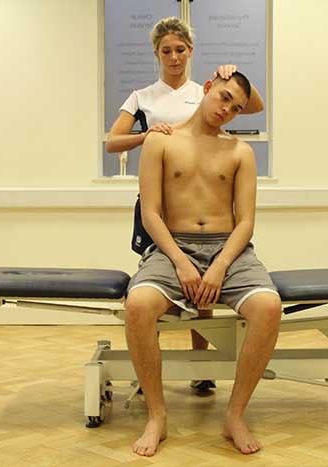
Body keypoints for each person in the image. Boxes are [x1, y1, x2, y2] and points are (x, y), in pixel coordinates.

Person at [124, 72, 282, 457]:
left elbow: (245, 222)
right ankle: (157, 416)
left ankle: (235, 415)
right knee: (138, 306)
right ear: (207, 89)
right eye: (224, 98)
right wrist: (179, 261)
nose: (226, 110)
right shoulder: (160, 141)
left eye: (236, 108)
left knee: (268, 307)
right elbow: (151, 214)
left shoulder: (240, 151)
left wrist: (218, 266)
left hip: (227, 248)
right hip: (171, 246)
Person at [106, 16, 265, 378]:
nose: (174, 57)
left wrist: (234, 74)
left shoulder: (204, 92)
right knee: (166, 283)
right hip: (163, 205)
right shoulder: (143, 97)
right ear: (157, 54)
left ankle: (200, 368)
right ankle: (152, 366)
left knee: (204, 294)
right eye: (167, 51)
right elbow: (112, 143)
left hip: (210, 212)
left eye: (180, 50)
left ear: (190, 52)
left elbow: (250, 103)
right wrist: (148, 137)